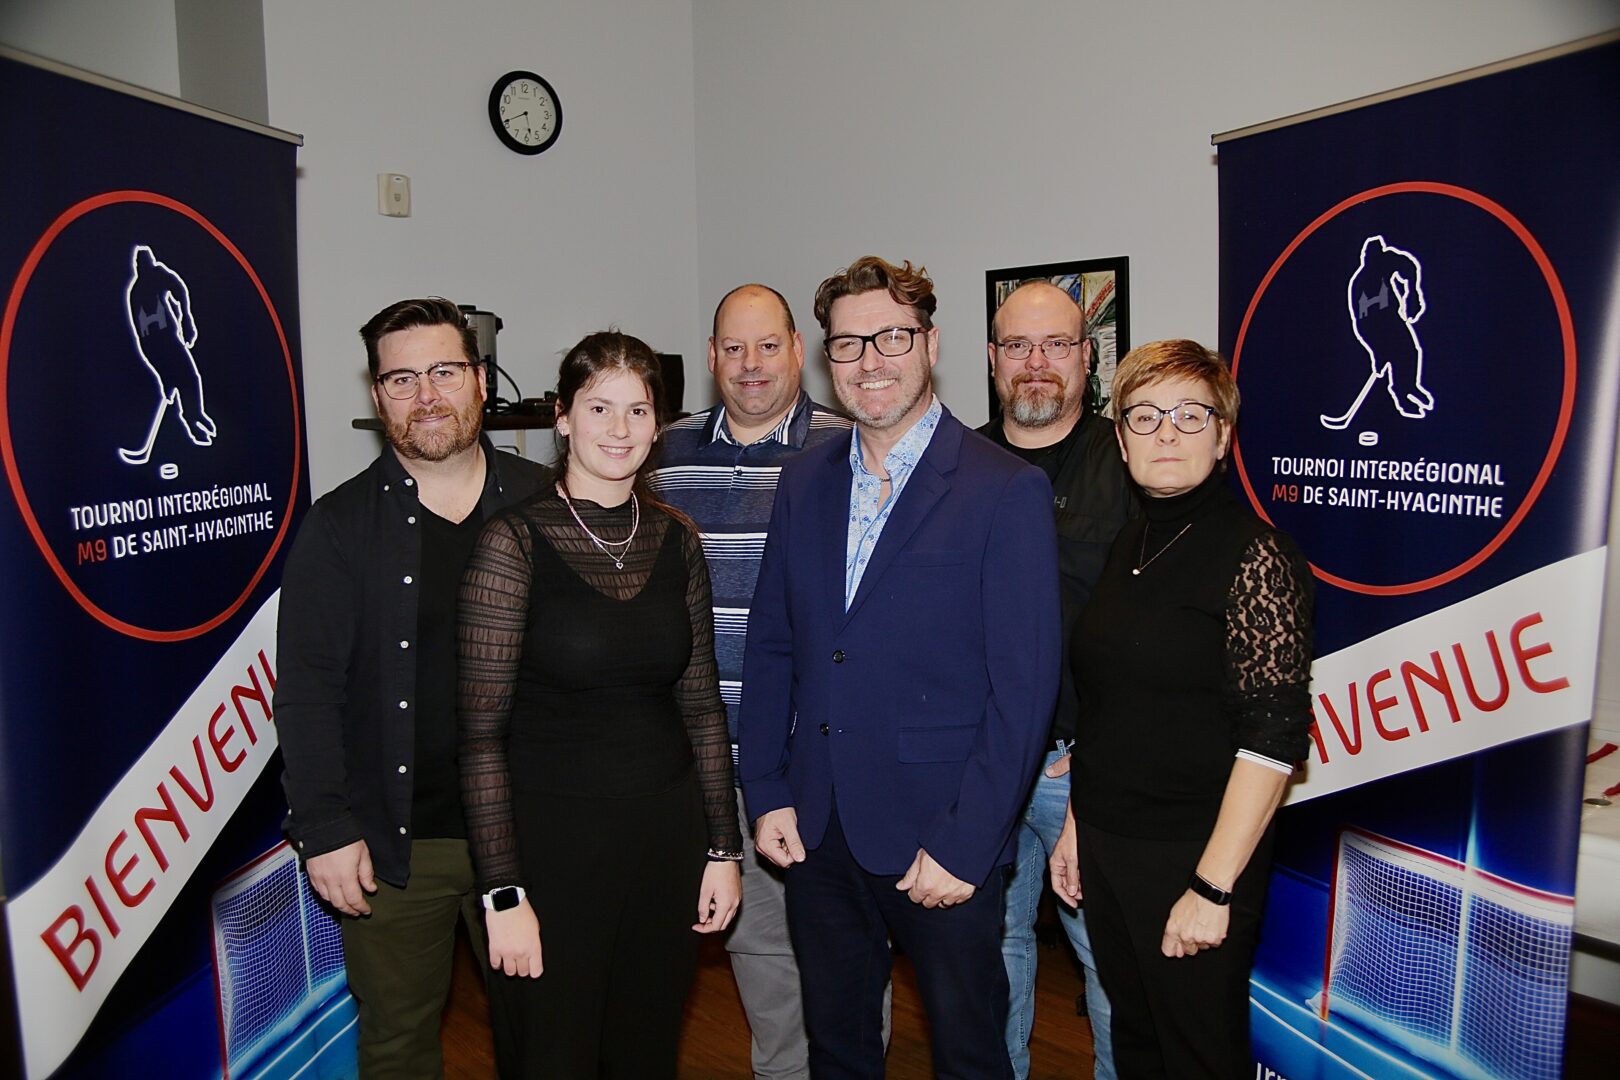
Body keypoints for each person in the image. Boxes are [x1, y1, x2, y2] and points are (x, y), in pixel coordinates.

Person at [739, 256, 1061, 1078]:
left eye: (891, 336)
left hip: (942, 831)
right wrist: (767, 789)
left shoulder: (1004, 489)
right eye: (848, 344)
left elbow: (1022, 693)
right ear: (826, 359)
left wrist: (967, 842)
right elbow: (775, 643)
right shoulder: (805, 481)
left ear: (931, 343)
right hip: (816, 826)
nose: (870, 360)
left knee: (968, 1054)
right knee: (839, 1050)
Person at [274, 297, 550, 1078]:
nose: (425, 395)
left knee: (548, 1034)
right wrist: (323, 826)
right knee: (397, 1045)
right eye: (401, 379)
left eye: (442, 372)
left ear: (479, 381)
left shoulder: (548, 504)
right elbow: (306, 690)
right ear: (376, 396)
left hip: (536, 828)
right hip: (399, 845)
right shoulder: (337, 527)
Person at [457, 331, 744, 1078]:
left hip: (664, 843)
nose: (619, 429)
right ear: (562, 417)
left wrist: (722, 848)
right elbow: (480, 737)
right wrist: (502, 893)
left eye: (638, 410)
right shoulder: (513, 543)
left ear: (658, 425)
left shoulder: (678, 540)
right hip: (552, 852)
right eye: (599, 407)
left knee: (645, 1052)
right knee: (554, 1055)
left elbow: (702, 704)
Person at [1050, 339, 1314, 1079]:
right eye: (1145, 415)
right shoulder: (1128, 542)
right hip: (1108, 843)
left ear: (1225, 436)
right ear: (1122, 438)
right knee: (1135, 1039)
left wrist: (1212, 886)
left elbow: (1274, 738)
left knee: (1198, 1052)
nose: (1166, 432)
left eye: (1191, 415)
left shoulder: (1257, 558)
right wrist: (1076, 826)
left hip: (1195, 853)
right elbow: (1104, 706)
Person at [649, 283, 857, 1079]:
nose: (751, 364)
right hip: (706, 755)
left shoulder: (844, 447)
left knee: (842, 955)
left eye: (768, 345)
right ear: (709, 360)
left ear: (799, 351)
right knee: (762, 958)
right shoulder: (662, 453)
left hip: (816, 756)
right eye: (733, 349)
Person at [980, 281, 1135, 1080]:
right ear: (992, 359)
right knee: (993, 955)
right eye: (1017, 346)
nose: (1036, 364)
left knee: (1112, 965)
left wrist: (1105, 758)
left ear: (1087, 357)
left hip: (1093, 769)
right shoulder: (954, 466)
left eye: (1057, 346)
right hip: (982, 765)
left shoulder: (1135, 461)